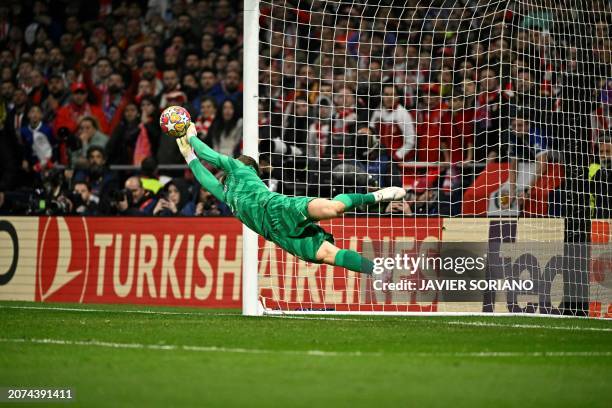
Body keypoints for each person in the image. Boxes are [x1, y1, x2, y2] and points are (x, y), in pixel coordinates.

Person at [176, 123, 406, 274]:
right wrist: (188, 156)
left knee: (334, 208)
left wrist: (191, 136)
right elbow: (205, 179)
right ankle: (380, 271)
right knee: (328, 255)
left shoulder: (241, 169)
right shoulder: (227, 194)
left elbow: (211, 156)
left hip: (278, 207)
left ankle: (376, 195)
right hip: (277, 234)